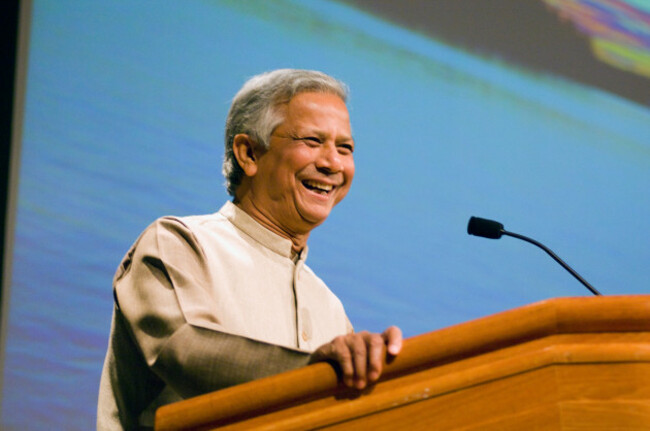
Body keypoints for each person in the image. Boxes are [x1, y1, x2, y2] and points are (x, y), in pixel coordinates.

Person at [97, 69, 402, 430]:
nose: (333, 163)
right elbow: (185, 353)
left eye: (345, 148)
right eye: (312, 140)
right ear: (249, 153)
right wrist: (311, 372)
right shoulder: (178, 245)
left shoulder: (331, 311)